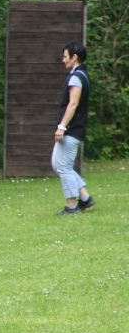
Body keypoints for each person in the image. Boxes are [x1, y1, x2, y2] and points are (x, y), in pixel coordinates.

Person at [52, 41, 95, 215]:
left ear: (74, 57)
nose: (63, 60)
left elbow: (73, 104)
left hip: (72, 128)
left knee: (63, 167)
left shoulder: (76, 77)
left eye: (65, 56)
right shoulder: (80, 75)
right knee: (58, 165)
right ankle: (84, 198)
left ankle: (71, 206)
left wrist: (62, 126)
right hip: (74, 128)